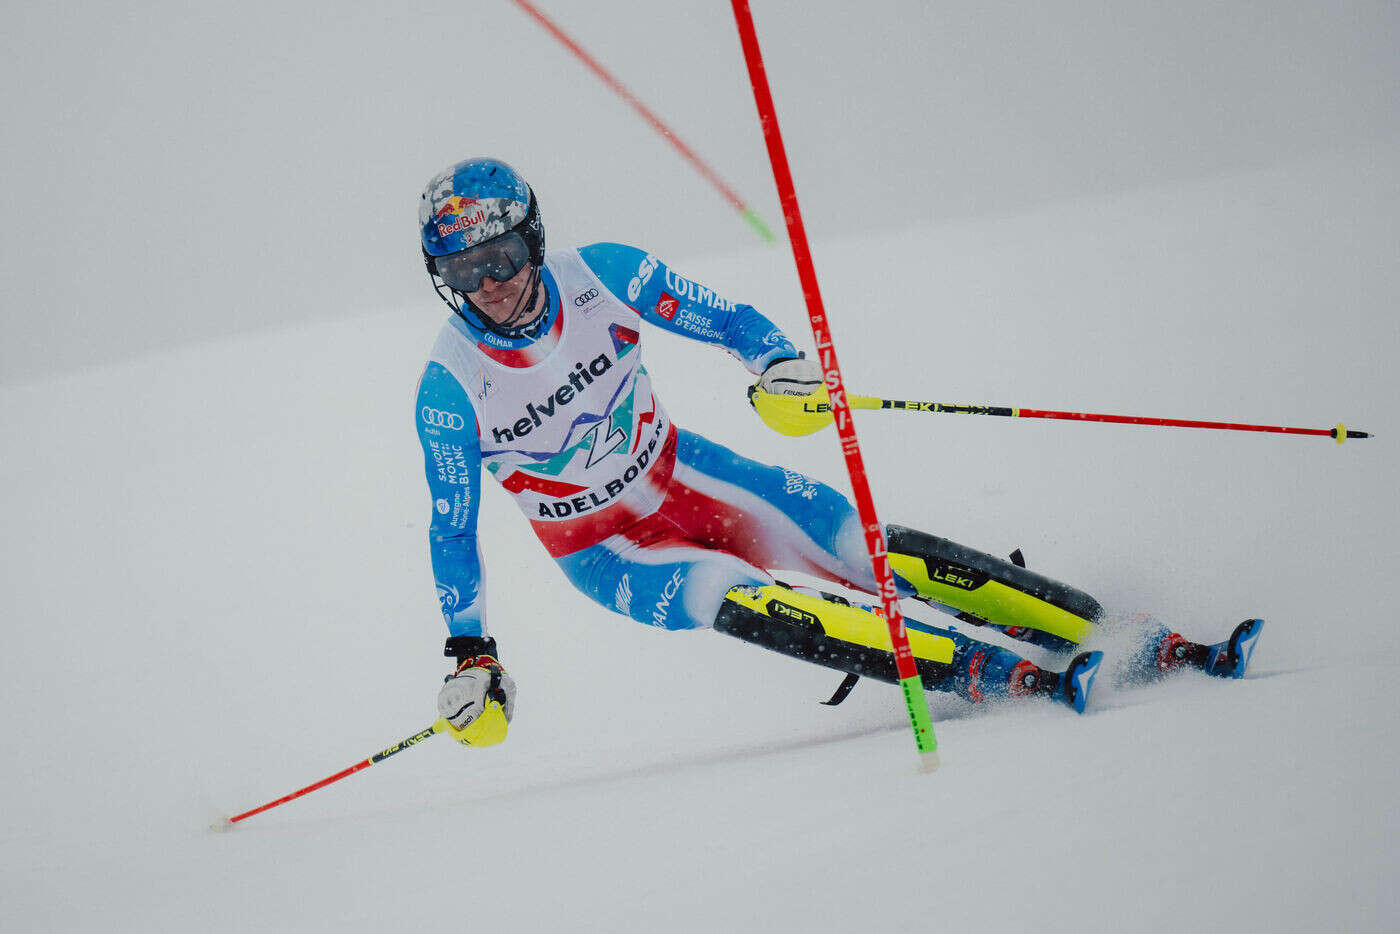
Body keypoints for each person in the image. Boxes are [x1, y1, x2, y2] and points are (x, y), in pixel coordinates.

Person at [415, 157, 1263, 747]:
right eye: (465, 269)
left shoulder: (603, 273)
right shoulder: (450, 389)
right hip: (608, 552)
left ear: (532, 237)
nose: (491, 281)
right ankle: (996, 675)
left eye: (501, 254)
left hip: (695, 476)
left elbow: (730, 321)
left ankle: (1133, 635)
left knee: (868, 550)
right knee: (731, 596)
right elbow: (452, 532)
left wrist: (778, 365)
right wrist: (471, 653)